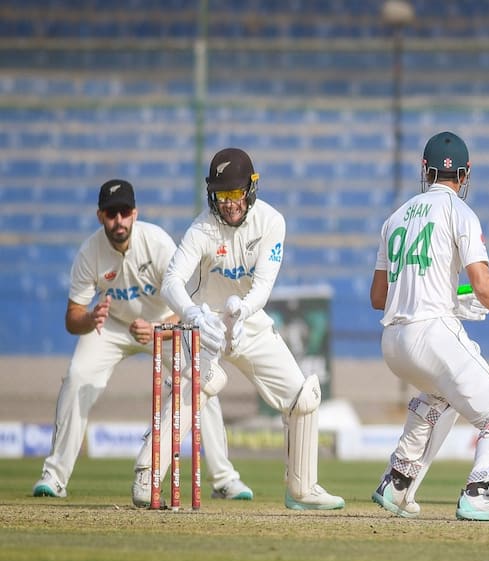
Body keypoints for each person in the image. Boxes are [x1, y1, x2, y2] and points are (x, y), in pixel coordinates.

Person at [131, 148, 344, 510]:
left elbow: (263, 286)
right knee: (199, 385)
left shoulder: (272, 222)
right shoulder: (202, 227)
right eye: (222, 196)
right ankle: (147, 473)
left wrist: (243, 310)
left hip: (249, 320)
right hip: (205, 323)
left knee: (302, 397)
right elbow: (171, 282)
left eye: (236, 194)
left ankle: (303, 489)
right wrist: (195, 315)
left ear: (251, 189)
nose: (229, 204)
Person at [32, 179, 253, 503]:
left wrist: (158, 327)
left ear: (134, 214)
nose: (118, 220)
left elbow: (190, 300)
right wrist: (91, 318)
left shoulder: (157, 243)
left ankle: (223, 479)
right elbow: (72, 318)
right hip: (110, 326)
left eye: (123, 212)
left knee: (200, 379)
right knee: (78, 377)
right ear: (100, 216)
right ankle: (54, 476)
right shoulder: (89, 253)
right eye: (110, 214)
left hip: (165, 323)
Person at [369, 131, 489, 521]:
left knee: (440, 397)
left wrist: (450, 292)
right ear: (465, 175)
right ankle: (480, 492)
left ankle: (397, 481)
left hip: (393, 340)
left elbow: (379, 297)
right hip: (431, 332)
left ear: (424, 170)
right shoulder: (460, 212)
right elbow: (483, 283)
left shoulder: (395, 218)